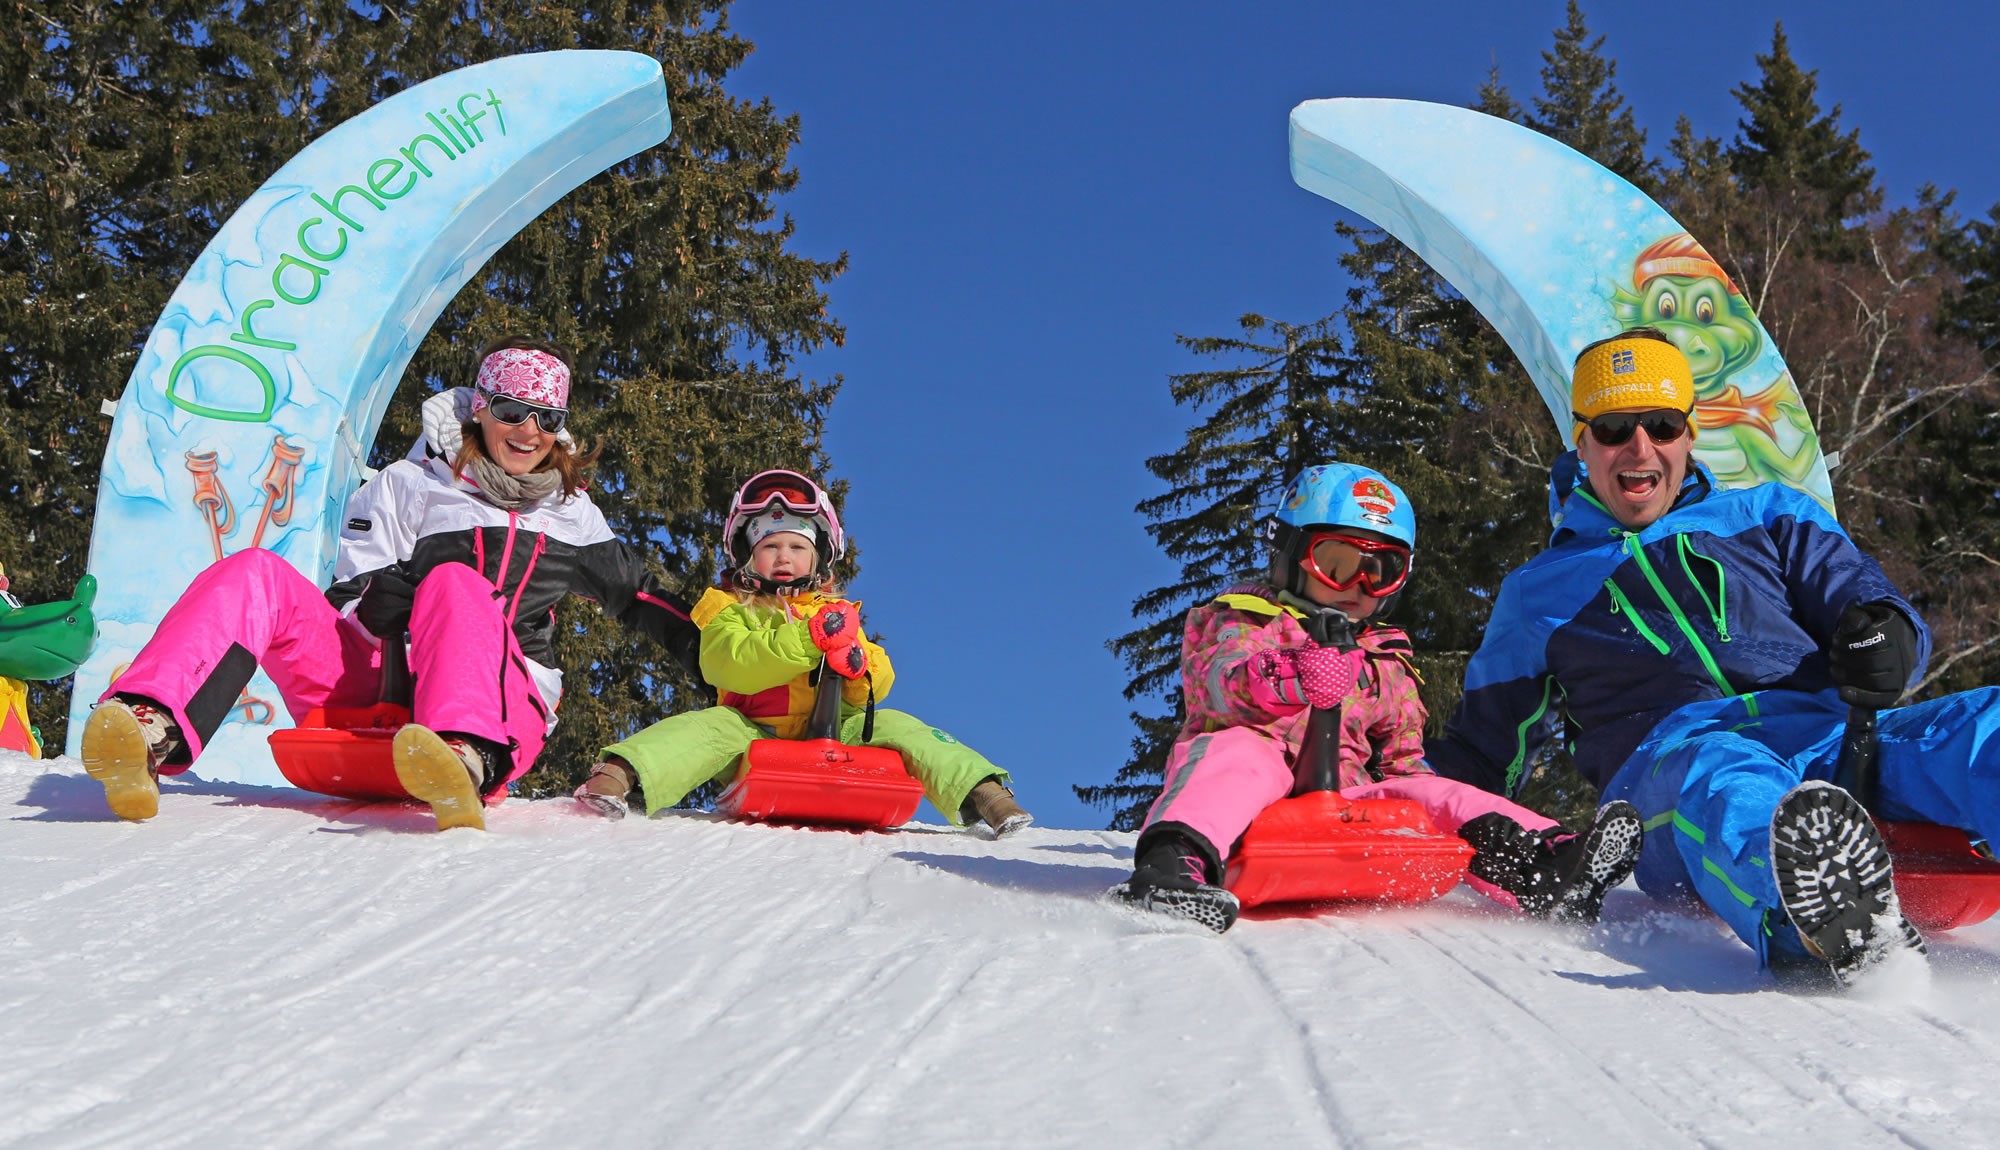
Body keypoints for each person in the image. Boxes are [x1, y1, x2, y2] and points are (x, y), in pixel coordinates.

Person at [1427, 327, 2000, 986]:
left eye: (1661, 425)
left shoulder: (1771, 514)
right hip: (1672, 769)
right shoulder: (1538, 592)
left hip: (1833, 742)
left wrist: (1886, 632)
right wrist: (1402, 794)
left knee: (1982, 727)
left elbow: (1859, 593)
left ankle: (1829, 868)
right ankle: (1815, 920)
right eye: (1613, 429)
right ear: (1582, 443)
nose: (1640, 448)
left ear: (1689, 435)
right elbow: (1478, 756)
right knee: (1724, 775)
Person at [81, 337, 701, 831]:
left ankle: (465, 752)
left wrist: (717, 654)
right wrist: (385, 596)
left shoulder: (570, 514)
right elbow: (347, 591)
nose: (528, 431)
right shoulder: (412, 484)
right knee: (254, 572)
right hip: (378, 679)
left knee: (459, 584)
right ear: (480, 408)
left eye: (546, 417)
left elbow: (640, 596)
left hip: (501, 699)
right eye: (512, 411)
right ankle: (148, 725)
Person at [1114, 463, 1644, 934]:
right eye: (1338, 563)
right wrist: (1292, 674)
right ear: (1292, 552)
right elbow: (1217, 687)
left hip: (1343, 804)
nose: (1360, 584)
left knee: (1434, 795)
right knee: (1234, 756)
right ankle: (1173, 866)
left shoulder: (1384, 655)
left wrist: (1416, 792)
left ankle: (1548, 866)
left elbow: (1401, 758)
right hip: (1258, 806)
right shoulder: (1245, 618)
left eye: (1382, 570)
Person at [573, 469, 1033, 836]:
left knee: (901, 727)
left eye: (797, 546)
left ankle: (986, 795)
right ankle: (620, 776)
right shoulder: (730, 609)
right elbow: (728, 663)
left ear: (819, 557)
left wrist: (857, 668)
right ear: (747, 557)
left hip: (833, 735)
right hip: (754, 733)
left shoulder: (835, 612)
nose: (784, 556)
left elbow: (878, 684)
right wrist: (806, 641)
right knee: (705, 728)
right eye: (770, 546)